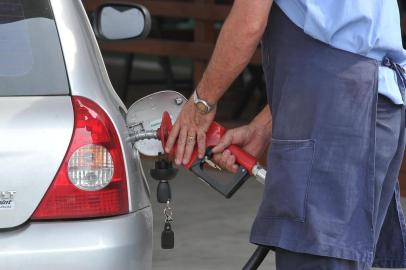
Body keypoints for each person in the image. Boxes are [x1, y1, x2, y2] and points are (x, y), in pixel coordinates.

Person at [165, 1, 406, 269]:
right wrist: (263, 127)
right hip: (373, 104)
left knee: (319, 256)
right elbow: (342, 50)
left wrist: (201, 105)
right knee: (339, 256)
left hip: (336, 117)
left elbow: (249, 23)